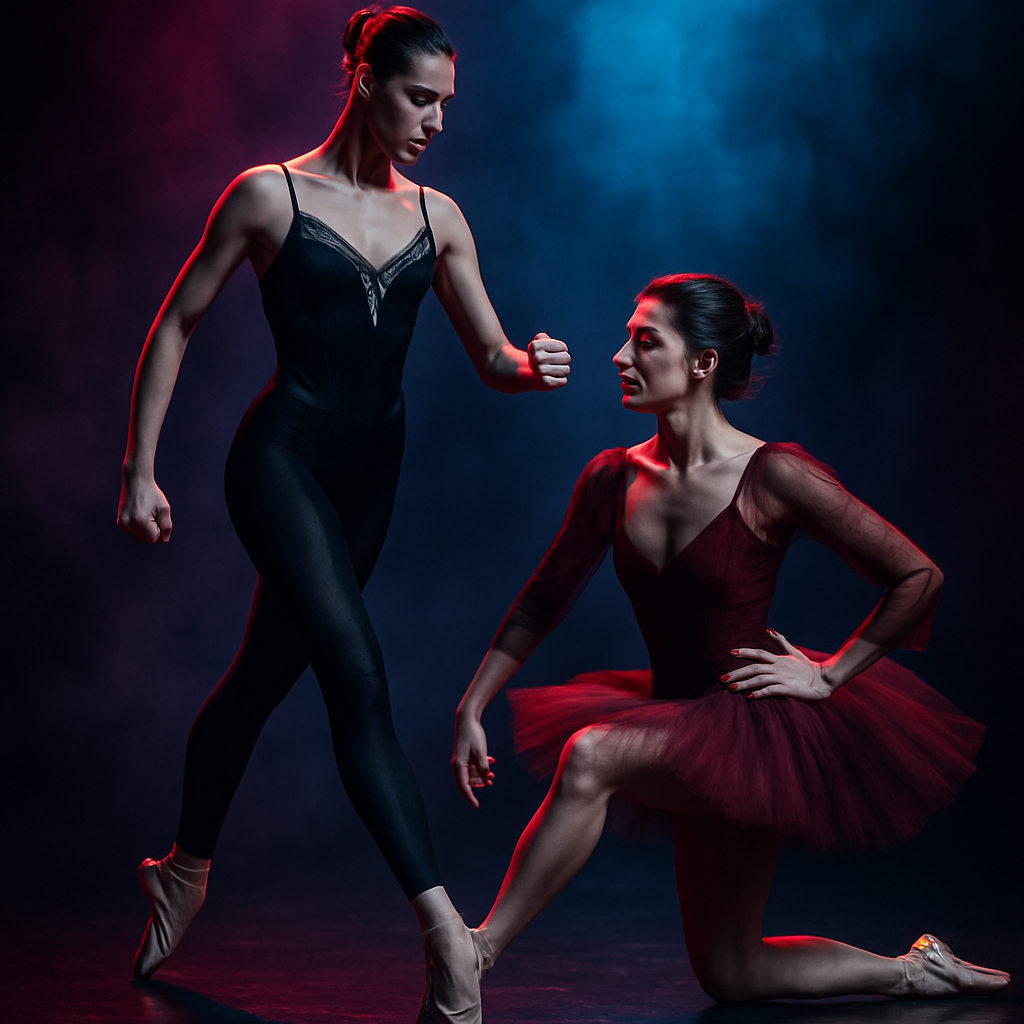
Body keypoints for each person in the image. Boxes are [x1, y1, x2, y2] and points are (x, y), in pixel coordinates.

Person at [116, 7, 569, 1020]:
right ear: (362, 80)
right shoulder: (268, 195)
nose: (436, 123)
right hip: (280, 459)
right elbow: (178, 320)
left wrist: (528, 370)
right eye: (419, 99)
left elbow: (490, 357)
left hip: (374, 476)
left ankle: (183, 868)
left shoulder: (439, 216)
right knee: (357, 676)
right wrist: (140, 468)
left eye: (448, 105)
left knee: (258, 682)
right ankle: (448, 936)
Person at [451, 273, 1010, 1005]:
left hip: (751, 731)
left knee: (591, 754)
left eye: (644, 341)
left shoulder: (773, 473)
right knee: (732, 973)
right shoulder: (611, 478)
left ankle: (476, 953)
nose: (620, 355)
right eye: (627, 337)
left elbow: (918, 577)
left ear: (703, 364)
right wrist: (472, 705)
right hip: (678, 720)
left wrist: (830, 676)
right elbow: (542, 599)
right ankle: (918, 969)